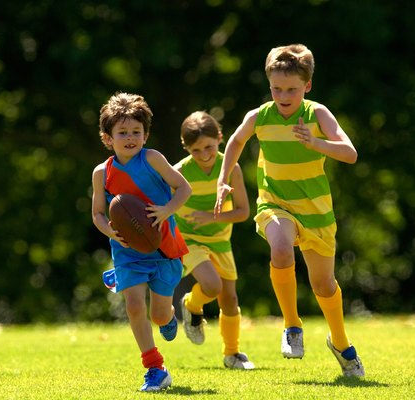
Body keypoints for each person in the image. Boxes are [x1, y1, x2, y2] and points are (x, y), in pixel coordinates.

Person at [215, 44, 365, 377]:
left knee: (324, 285)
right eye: (276, 88)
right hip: (275, 203)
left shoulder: (317, 114)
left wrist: (316, 143)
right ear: (269, 84)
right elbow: (236, 142)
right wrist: (222, 180)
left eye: (292, 89)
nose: (283, 95)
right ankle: (292, 326)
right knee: (281, 249)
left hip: (317, 212)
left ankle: (340, 343)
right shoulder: (259, 116)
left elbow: (350, 153)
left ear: (307, 86)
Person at [91, 92, 191, 392]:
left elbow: (183, 189)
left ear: (145, 135)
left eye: (136, 131)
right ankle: (155, 368)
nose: (130, 138)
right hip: (127, 252)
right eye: (122, 133)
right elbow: (97, 213)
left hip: (164, 248)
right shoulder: (102, 173)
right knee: (134, 305)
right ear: (108, 138)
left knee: (158, 314)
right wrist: (110, 231)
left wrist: (166, 210)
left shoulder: (154, 159)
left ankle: (169, 317)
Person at [173, 111, 254, 370]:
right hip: (188, 239)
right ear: (186, 148)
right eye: (196, 150)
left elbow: (243, 212)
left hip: (220, 240)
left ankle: (232, 354)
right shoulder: (178, 173)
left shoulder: (231, 167)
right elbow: (160, 205)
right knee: (212, 285)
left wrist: (212, 217)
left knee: (229, 299)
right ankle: (191, 304)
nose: (204, 154)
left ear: (220, 138)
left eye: (209, 147)